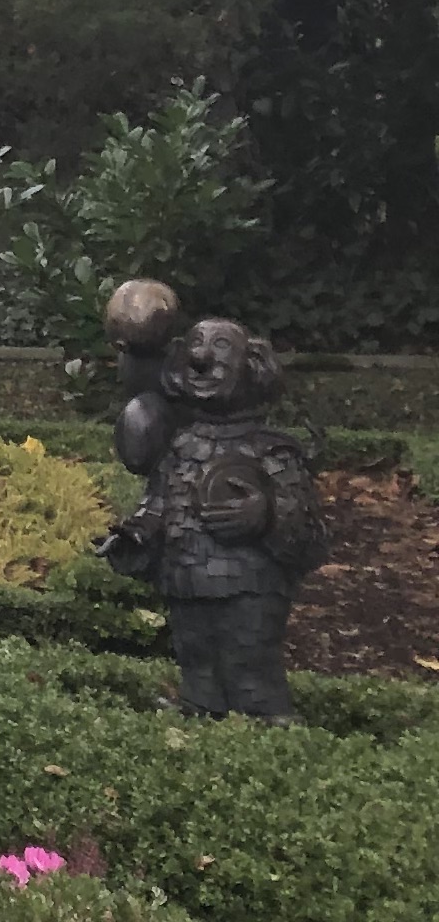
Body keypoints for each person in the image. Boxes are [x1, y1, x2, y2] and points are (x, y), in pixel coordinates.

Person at [98, 282, 325, 722]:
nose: (203, 356)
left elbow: (311, 533)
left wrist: (266, 514)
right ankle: (200, 720)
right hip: (187, 580)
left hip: (250, 586)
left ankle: (273, 740)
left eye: (221, 346)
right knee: (196, 666)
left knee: (251, 671)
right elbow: (160, 502)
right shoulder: (180, 444)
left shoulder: (271, 451)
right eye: (197, 345)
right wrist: (138, 534)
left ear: (251, 367)